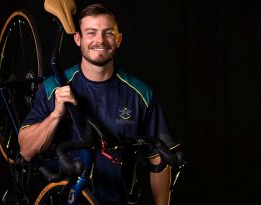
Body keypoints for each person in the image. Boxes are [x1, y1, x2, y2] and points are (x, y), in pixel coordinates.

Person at [18, 3, 180, 205]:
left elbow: (159, 158)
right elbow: (26, 150)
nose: (100, 40)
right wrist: (56, 115)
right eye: (91, 33)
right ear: (78, 39)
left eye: (108, 33)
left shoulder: (141, 94)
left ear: (119, 39)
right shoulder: (53, 87)